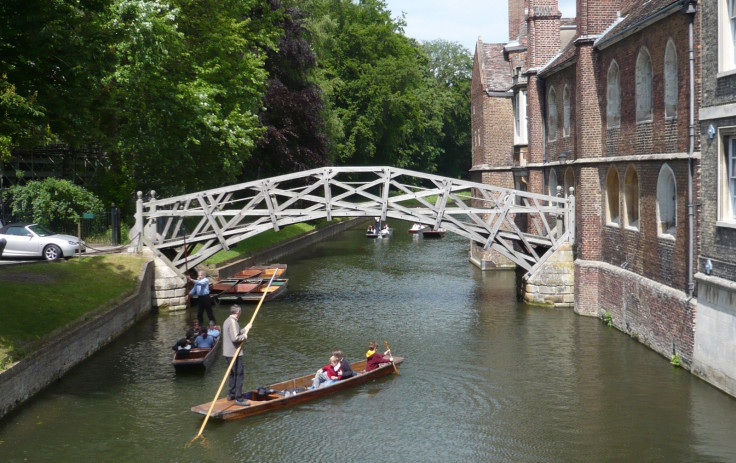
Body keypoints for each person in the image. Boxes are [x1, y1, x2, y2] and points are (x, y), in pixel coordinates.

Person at [223, 304, 252, 406]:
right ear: (238, 312)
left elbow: (236, 332)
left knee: (232, 374)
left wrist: (246, 328)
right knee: (239, 374)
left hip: (228, 353)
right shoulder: (233, 322)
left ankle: (231, 394)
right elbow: (235, 338)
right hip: (234, 353)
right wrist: (244, 336)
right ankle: (238, 398)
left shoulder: (227, 320)